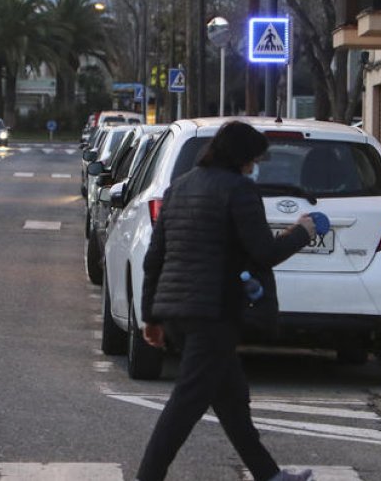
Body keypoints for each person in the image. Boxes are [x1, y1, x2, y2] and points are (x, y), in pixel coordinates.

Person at [136, 121, 317, 481]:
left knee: (233, 402)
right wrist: (302, 233)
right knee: (185, 405)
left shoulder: (179, 188)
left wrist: (151, 317)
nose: (255, 164)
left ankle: (270, 475)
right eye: (253, 157)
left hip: (176, 313)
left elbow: (153, 259)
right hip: (213, 314)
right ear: (241, 157)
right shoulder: (240, 190)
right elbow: (264, 253)